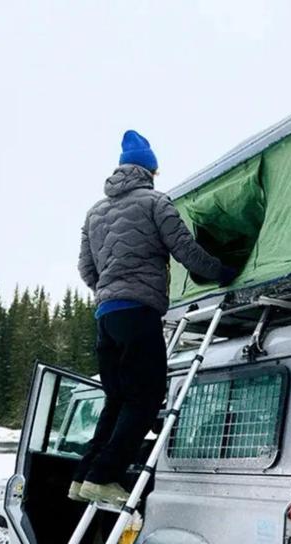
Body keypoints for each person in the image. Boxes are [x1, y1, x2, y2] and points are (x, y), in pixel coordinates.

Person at [71, 130, 237, 507]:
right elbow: (185, 250)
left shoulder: (94, 212)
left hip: (106, 317)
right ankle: (104, 476)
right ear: (149, 169)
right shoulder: (155, 203)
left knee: (117, 398)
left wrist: (109, 289)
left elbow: (85, 269)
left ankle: (84, 476)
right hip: (138, 312)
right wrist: (221, 271)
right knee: (146, 397)